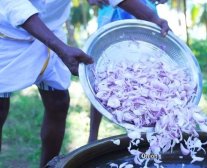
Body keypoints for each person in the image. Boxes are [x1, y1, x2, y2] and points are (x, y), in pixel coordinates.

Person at [0, 0, 169, 167]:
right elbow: (15, 5)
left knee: (59, 102)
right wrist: (60, 48)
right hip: (8, 36)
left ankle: (48, 166)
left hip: (52, 30)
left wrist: (154, 18)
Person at [87, 0, 168, 143]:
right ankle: (93, 136)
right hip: (113, 16)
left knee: (144, 75)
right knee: (103, 78)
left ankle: (147, 132)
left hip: (143, 14)